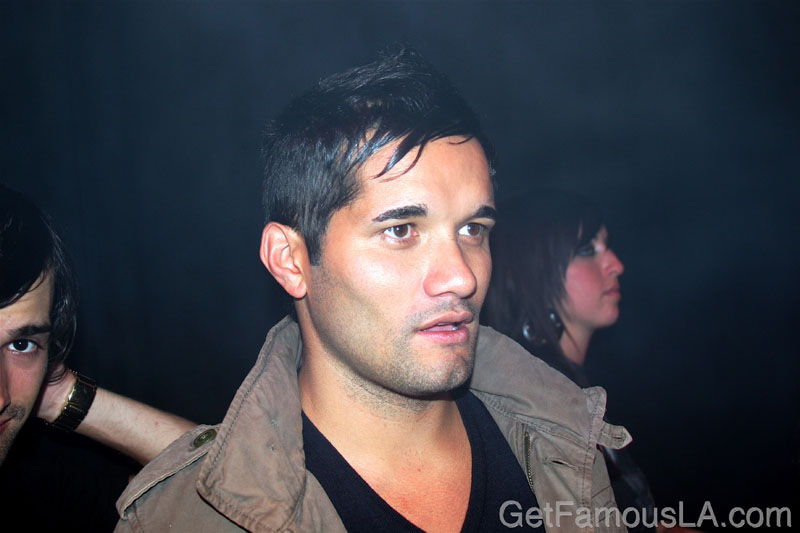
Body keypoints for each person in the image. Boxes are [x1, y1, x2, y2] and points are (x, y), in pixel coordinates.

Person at [116, 49, 632, 533]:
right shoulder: (183, 520)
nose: (462, 277)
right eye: (401, 230)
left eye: (473, 229)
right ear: (290, 260)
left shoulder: (562, 441)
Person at [0, 184, 194, 529]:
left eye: (22, 345)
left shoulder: (39, 483)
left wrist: (59, 395)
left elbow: (239, 491)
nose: (1, 397)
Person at [483, 189, 657, 532]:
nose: (616, 265)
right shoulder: (538, 403)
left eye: (607, 246)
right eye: (587, 250)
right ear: (534, 270)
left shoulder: (581, 386)